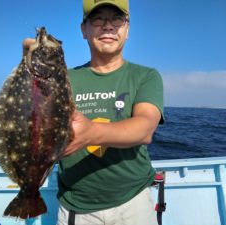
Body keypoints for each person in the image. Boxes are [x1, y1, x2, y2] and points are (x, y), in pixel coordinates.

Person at [23, 0, 164, 224]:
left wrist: (91, 133)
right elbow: (37, 125)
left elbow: (145, 128)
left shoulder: (145, 76)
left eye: (116, 19)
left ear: (127, 29)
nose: (108, 26)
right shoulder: (62, 78)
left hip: (134, 201)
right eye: (98, 19)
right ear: (84, 30)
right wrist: (29, 69)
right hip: (76, 206)